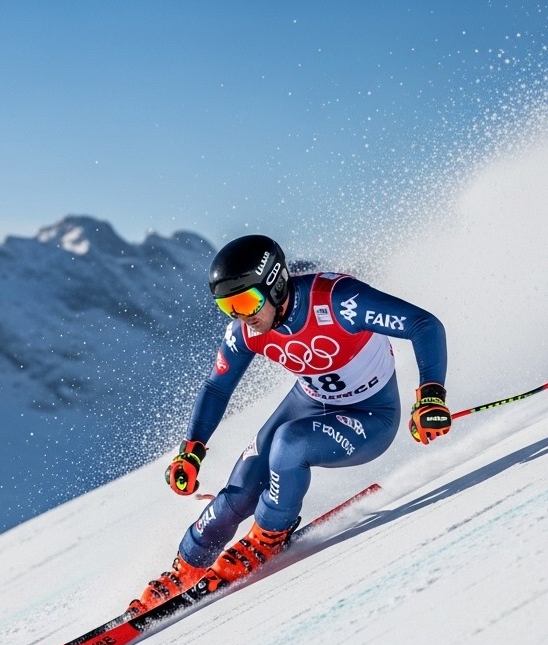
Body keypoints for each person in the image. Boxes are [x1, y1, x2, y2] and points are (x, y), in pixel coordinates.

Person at [128, 234, 450, 616]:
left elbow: (424, 325)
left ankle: (268, 536)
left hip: (371, 415)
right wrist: (192, 450)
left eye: (246, 302)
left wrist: (430, 394)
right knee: (239, 492)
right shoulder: (247, 330)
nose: (241, 315)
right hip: (309, 403)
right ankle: (184, 569)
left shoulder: (338, 300)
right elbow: (217, 387)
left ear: (276, 284)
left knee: (289, 444)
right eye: (227, 307)